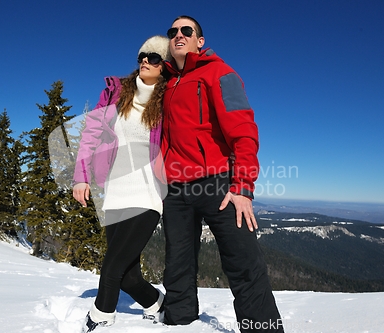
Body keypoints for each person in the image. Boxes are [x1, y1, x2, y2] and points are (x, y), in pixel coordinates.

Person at [157, 16, 285, 332]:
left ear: (200, 41)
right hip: (175, 191)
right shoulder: (166, 84)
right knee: (177, 268)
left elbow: (243, 131)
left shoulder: (220, 73)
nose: (178, 35)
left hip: (219, 185)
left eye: (187, 31)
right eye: (172, 32)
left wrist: (242, 186)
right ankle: (179, 323)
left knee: (243, 264)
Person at [72, 35, 170, 332]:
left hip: (148, 192)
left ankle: (102, 316)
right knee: (128, 275)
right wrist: (81, 176)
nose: (145, 60)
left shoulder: (169, 99)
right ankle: (157, 304)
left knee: (112, 265)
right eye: (142, 54)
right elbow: (90, 135)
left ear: (164, 66)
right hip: (114, 192)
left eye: (154, 57)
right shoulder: (116, 93)